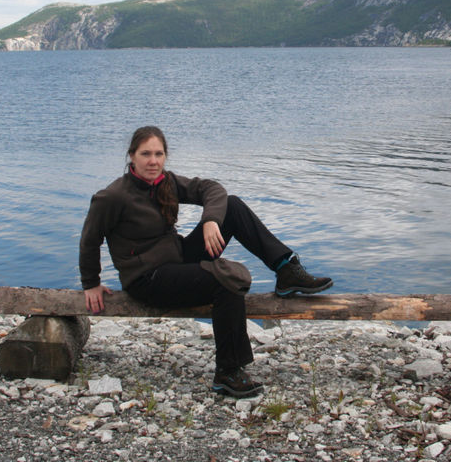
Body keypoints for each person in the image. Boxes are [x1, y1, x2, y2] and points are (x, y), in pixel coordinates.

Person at [79, 126, 333, 398]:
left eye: (158, 154)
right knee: (225, 279)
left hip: (177, 259)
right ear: (132, 156)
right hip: (148, 279)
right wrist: (91, 283)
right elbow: (90, 239)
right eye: (145, 154)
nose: (153, 161)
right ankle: (228, 371)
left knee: (231, 207)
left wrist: (210, 219)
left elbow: (212, 189)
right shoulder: (113, 196)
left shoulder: (167, 181)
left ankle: (285, 268)